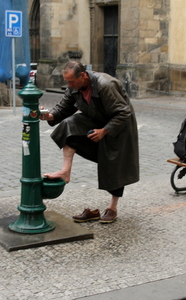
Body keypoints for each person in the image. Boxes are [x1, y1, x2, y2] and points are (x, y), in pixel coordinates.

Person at [40, 61, 139, 224]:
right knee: (68, 125)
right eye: (67, 82)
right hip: (96, 120)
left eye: (72, 81)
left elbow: (123, 112)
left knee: (113, 164)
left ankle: (112, 208)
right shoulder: (74, 87)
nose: (69, 85)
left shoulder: (106, 85)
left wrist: (104, 131)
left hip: (119, 126)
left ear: (84, 75)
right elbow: (64, 108)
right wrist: (49, 116)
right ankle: (65, 171)